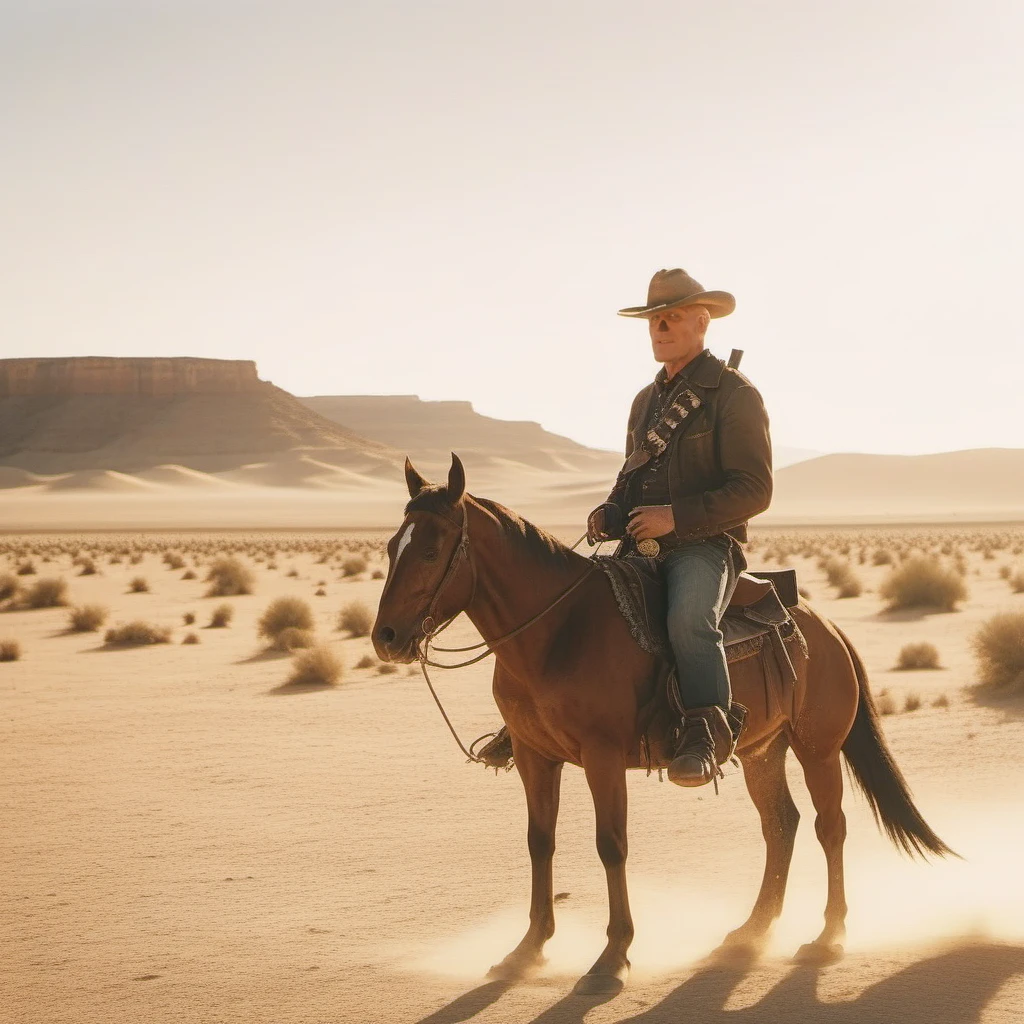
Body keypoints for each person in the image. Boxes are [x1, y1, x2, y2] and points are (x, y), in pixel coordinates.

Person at [587, 267, 773, 786]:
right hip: (640, 544)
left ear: (701, 322)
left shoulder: (734, 394)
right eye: (653, 321)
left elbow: (755, 491)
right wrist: (610, 510)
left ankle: (706, 731)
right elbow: (632, 478)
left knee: (690, 619)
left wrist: (676, 517)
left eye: (670, 319)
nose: (659, 329)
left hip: (705, 545)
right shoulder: (645, 402)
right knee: (579, 605)